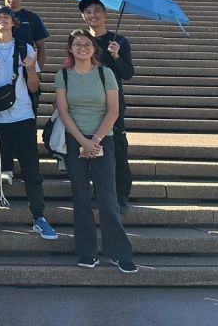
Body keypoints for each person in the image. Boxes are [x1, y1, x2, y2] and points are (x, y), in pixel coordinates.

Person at [55, 30, 137, 273]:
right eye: (77, 44)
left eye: (87, 44)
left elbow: (113, 110)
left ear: (94, 49)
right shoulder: (63, 76)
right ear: (70, 49)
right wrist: (83, 141)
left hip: (104, 140)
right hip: (75, 140)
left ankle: (119, 253)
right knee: (80, 197)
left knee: (107, 197)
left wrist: (96, 140)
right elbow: (63, 111)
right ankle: (87, 251)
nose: (82, 48)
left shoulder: (106, 73)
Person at [0, 7, 57, 240]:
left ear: (14, 23)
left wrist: (31, 69)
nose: (1, 21)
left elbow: (33, 87)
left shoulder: (25, 48)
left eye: (6, 18)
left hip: (22, 116)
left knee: (31, 169)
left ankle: (39, 216)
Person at [80, 0, 136, 213]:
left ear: (105, 13)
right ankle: (98, 193)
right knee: (92, 149)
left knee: (118, 150)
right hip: (88, 105)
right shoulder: (82, 41)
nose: (92, 15)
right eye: (88, 12)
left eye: (96, 10)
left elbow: (128, 73)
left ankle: (121, 196)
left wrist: (116, 55)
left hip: (113, 105)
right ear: (83, 16)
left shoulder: (119, 41)